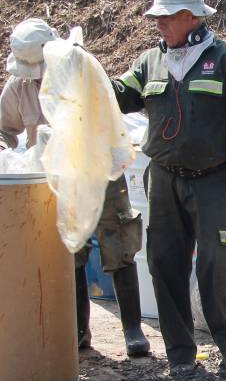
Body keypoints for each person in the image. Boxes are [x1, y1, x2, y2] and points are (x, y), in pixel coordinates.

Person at [111, 0, 226, 378]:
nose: (158, 23)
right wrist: (83, 73)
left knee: (220, 264)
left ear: (189, 16)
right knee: (165, 265)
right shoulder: (150, 61)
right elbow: (117, 95)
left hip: (215, 181)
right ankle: (180, 356)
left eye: (165, 17)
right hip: (164, 180)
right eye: (157, 17)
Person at [0, 18, 150, 357]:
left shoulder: (82, 69)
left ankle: (132, 330)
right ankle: (79, 333)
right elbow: (4, 129)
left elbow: (111, 118)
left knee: (119, 241)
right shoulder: (19, 87)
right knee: (71, 252)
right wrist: (9, 154)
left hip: (98, 171)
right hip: (54, 181)